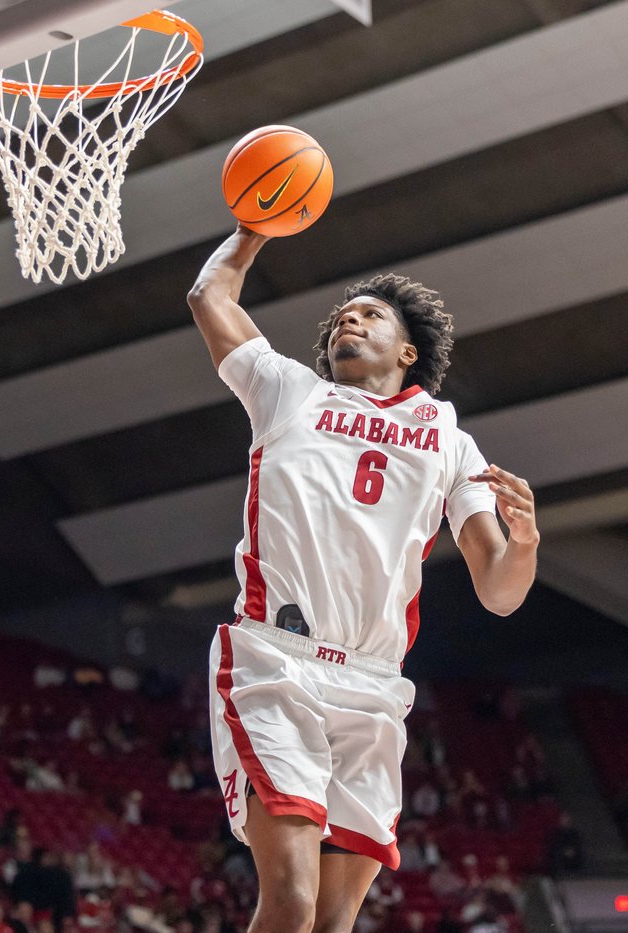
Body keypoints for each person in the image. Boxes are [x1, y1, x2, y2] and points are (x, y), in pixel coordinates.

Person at [188, 227, 538, 933]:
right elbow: (208, 294)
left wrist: (525, 539)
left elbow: (500, 591)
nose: (350, 317)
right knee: (289, 897)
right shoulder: (288, 390)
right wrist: (254, 228)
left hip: (374, 686)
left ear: (408, 351)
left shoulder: (448, 438)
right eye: (343, 314)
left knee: (332, 919)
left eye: (371, 313)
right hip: (275, 661)